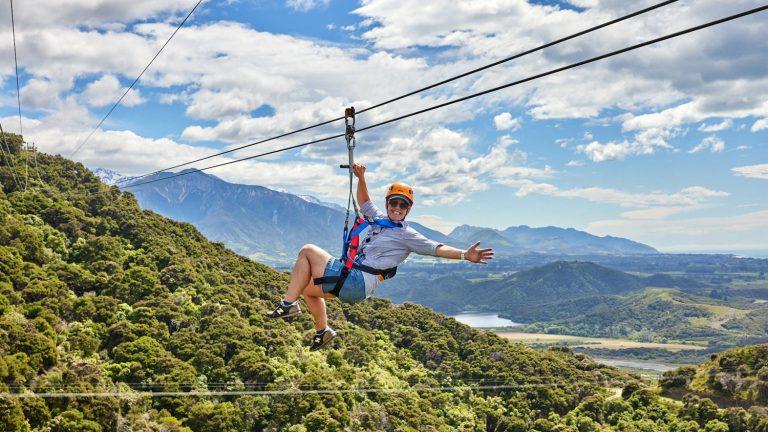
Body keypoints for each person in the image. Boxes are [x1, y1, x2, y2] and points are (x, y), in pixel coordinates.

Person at [266, 163, 494, 350]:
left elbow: (436, 248)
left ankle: (287, 304)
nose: (397, 207)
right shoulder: (378, 220)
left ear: (408, 210)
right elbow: (364, 201)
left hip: (355, 279)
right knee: (308, 290)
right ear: (388, 204)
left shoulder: (406, 234)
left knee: (307, 250)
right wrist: (361, 178)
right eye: (393, 202)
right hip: (355, 285)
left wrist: (465, 254)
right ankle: (322, 331)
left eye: (402, 205)